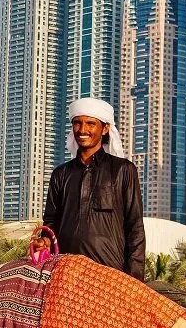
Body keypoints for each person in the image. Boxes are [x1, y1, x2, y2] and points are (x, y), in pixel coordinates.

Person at [42, 97, 146, 280]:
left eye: (90, 124)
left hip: (110, 272)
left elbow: (135, 227)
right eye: (77, 123)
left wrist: (134, 280)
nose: (82, 130)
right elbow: (50, 222)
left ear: (104, 128)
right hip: (66, 272)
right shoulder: (61, 174)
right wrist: (45, 241)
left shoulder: (123, 170)